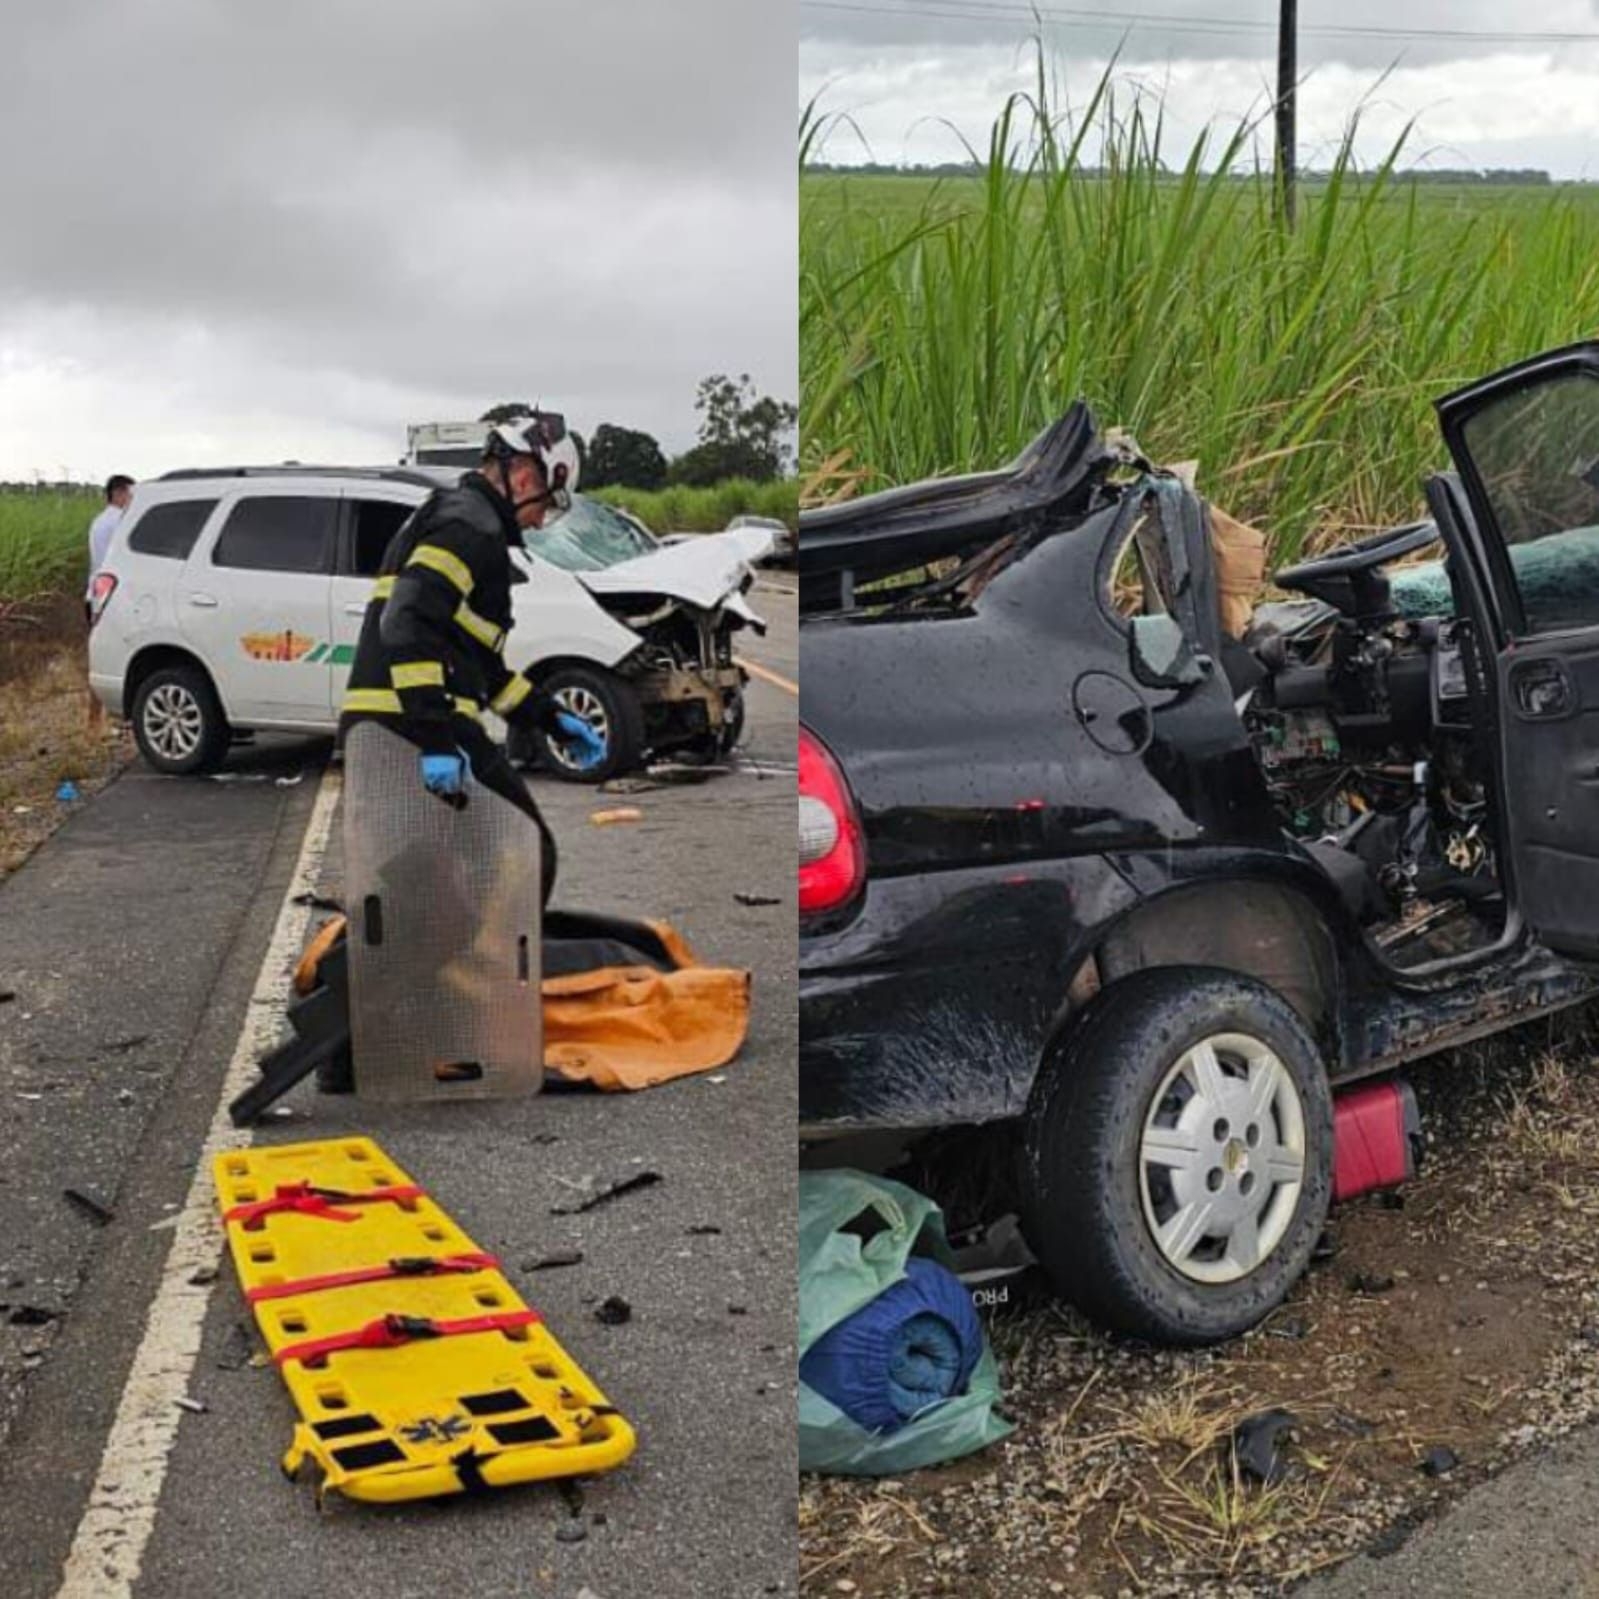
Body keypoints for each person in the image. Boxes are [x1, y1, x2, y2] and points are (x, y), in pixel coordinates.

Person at [338, 412, 604, 905]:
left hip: (390, 727)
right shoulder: (470, 527)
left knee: (433, 875)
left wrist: (552, 719)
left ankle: (412, 972)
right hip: (410, 730)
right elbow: (407, 623)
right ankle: (485, 976)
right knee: (523, 844)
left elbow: (483, 670)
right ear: (525, 475)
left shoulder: (460, 519)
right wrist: (435, 739)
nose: (542, 518)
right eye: (546, 502)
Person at [85, 474, 134, 726]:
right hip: (110, 595)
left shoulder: (99, 521)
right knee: (109, 656)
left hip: (96, 593)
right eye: (130, 493)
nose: (132, 499)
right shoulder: (119, 522)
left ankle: (96, 719)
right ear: (118, 493)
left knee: (99, 654)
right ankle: (96, 721)